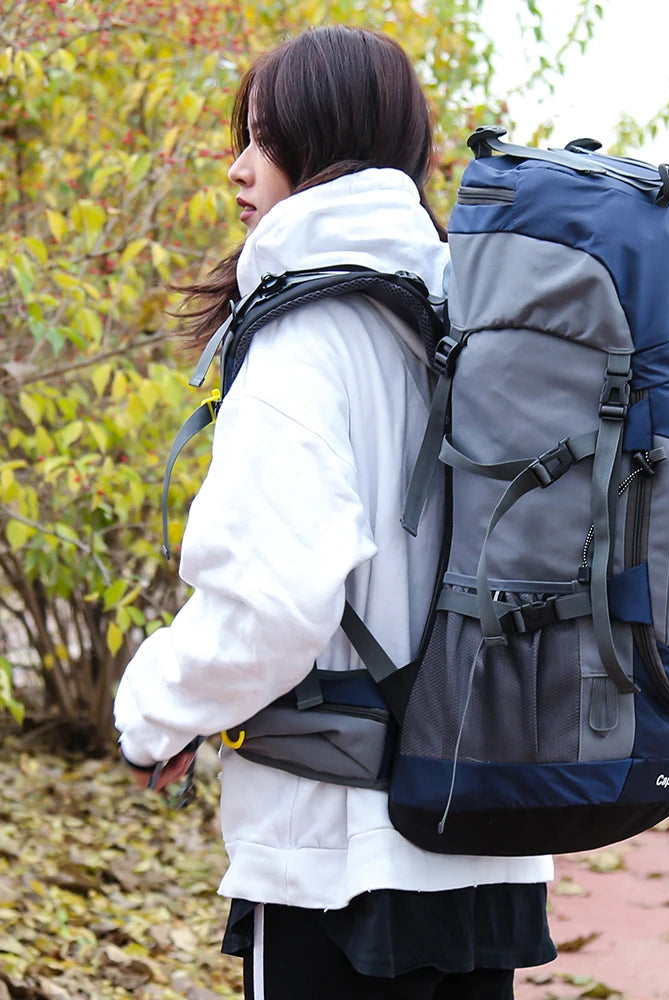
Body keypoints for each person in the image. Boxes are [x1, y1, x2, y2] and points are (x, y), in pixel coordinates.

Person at [114, 25, 555, 1000]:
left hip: (341, 855)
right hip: (483, 835)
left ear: (323, 145)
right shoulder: (459, 309)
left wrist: (152, 709)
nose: (237, 168)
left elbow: (270, 605)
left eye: (263, 139)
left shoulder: (306, 336)